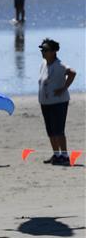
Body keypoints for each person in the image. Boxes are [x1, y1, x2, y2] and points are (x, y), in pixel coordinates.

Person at [38, 38, 76, 166]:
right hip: (45, 103)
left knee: (58, 130)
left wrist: (64, 88)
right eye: (42, 50)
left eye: (46, 50)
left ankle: (64, 156)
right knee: (50, 130)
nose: (43, 52)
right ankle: (56, 154)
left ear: (54, 51)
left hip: (58, 102)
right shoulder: (44, 63)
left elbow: (72, 73)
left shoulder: (59, 65)